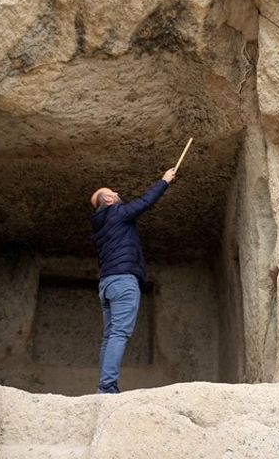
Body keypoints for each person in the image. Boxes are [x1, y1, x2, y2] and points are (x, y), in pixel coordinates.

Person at [88, 167, 176, 394]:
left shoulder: (99, 227)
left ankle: (103, 386)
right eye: (112, 192)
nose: (117, 193)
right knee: (119, 333)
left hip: (106, 284)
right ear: (108, 199)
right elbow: (145, 202)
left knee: (109, 335)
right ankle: (107, 387)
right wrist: (164, 181)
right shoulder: (116, 212)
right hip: (123, 282)